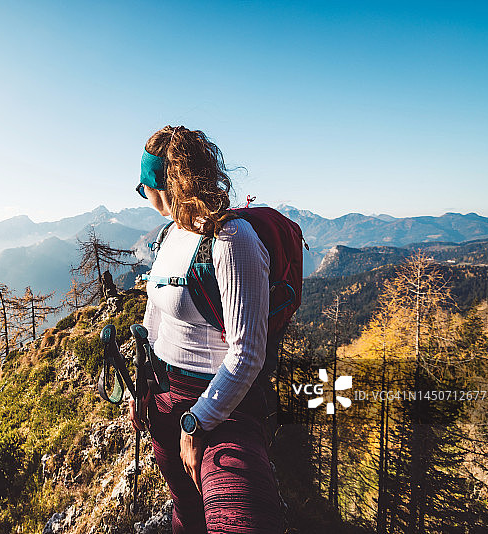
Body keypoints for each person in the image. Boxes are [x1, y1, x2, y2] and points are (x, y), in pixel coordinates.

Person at [130, 125, 282, 533]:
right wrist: (142, 385)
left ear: (161, 185)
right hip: (164, 397)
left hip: (222, 408)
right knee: (185, 506)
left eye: (143, 186)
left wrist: (198, 421)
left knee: (238, 518)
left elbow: (248, 352)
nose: (143, 195)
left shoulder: (232, 239)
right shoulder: (170, 235)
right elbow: (155, 316)